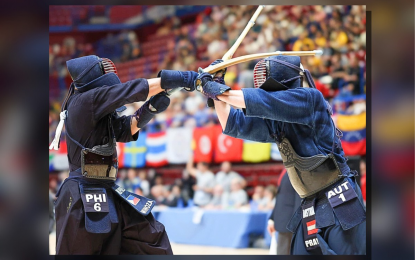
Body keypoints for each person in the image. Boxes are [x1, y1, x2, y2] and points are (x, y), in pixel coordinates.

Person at [191, 55, 366, 255]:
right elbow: (231, 123)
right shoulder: (276, 119)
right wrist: (217, 85)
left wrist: (214, 88)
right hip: (310, 202)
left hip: (338, 197)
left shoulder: (310, 98)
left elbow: (257, 100)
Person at [49, 55, 199, 255]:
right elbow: (129, 91)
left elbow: (125, 130)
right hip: (82, 190)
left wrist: (149, 110)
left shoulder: (96, 110)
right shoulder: (85, 101)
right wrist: (181, 78)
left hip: (107, 188)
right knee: (84, 248)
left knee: (152, 238)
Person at [267, 169, 302, 255]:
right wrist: (272, 218)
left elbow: (299, 198)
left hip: (289, 221)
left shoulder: (297, 169)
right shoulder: (286, 170)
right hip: (282, 220)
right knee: (282, 251)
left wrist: (296, 222)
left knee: (284, 251)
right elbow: (280, 198)